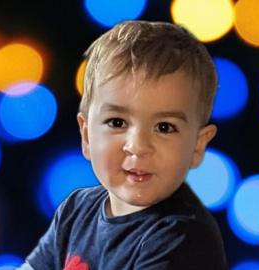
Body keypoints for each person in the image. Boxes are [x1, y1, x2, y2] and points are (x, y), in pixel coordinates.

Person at [21, 20, 228, 270]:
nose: (138, 146)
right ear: (87, 136)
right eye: (117, 122)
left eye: (164, 127)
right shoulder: (76, 210)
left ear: (196, 145)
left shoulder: (182, 237)